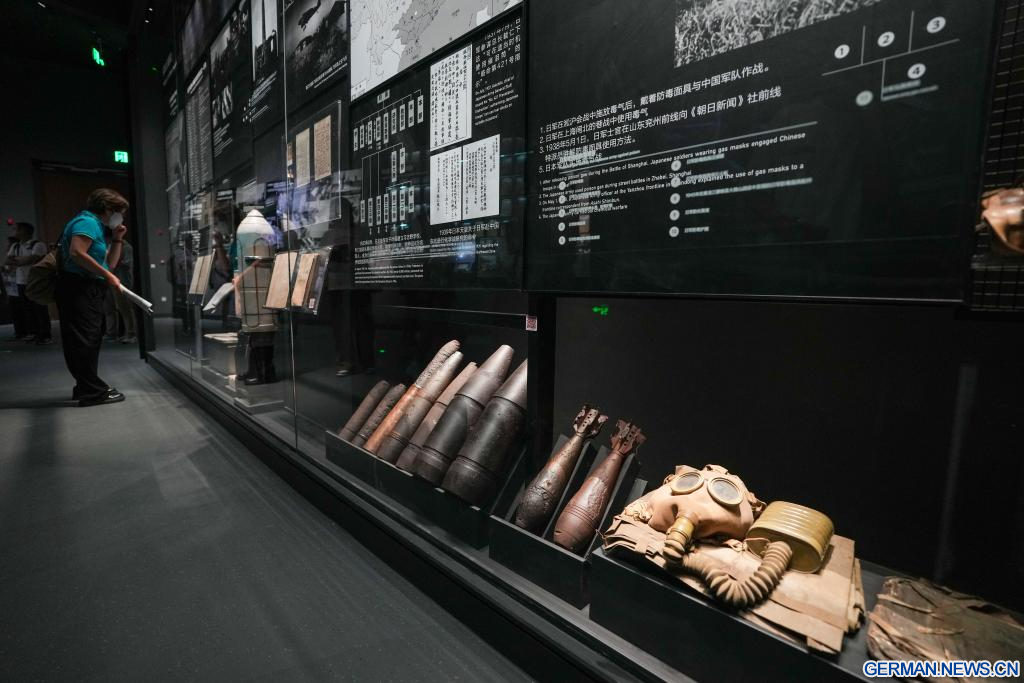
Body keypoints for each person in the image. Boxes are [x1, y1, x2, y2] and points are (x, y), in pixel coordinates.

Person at [57, 188, 129, 406]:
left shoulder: (95, 225)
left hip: (86, 288)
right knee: (84, 339)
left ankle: (85, 386)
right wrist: (108, 276)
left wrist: (117, 239)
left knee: (86, 338)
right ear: (107, 208)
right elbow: (77, 252)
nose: (120, 217)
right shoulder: (87, 222)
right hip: (79, 287)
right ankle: (92, 392)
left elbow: (110, 264)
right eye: (119, 211)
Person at [5, 222, 52, 344]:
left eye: (16, 229)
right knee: (27, 309)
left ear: (24, 231)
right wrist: (23, 260)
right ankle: (33, 333)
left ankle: (45, 335)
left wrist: (18, 260)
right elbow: (7, 260)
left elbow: (34, 259)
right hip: (21, 281)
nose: (14, 232)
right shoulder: (15, 246)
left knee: (39, 309)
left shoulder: (37, 244)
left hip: (36, 281)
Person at [104, 237, 137, 343]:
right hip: (111, 280)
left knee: (125, 308)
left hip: (122, 281)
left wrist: (111, 259)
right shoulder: (110, 246)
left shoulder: (126, 247)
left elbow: (126, 264)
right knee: (111, 308)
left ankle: (131, 334)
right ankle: (114, 333)